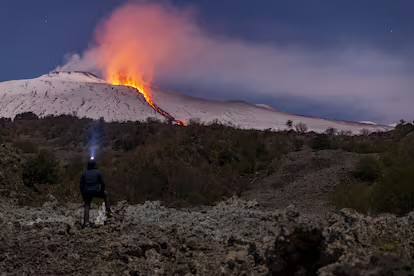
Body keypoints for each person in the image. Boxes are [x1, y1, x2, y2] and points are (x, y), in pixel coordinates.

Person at [80, 158, 112, 227]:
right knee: (106, 194)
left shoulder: (84, 173)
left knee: (87, 204)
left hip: (87, 192)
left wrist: (83, 194)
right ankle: (108, 212)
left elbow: (81, 185)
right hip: (96, 191)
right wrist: (102, 190)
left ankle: (86, 222)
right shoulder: (98, 172)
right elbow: (103, 183)